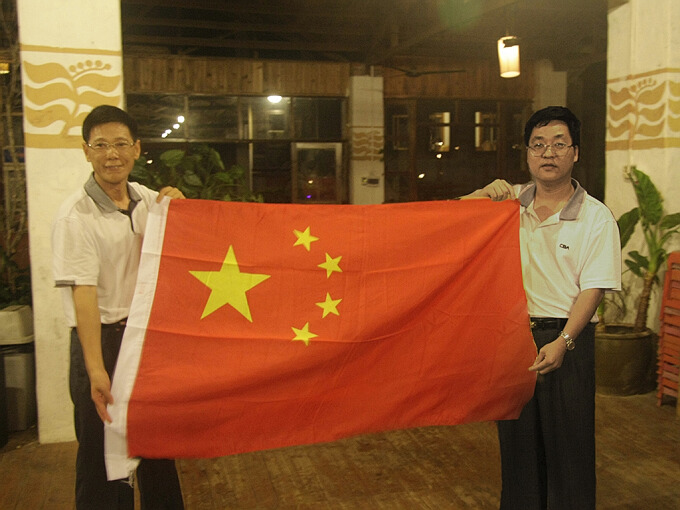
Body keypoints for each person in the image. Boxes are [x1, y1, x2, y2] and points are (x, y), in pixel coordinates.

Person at [466, 106, 621, 509]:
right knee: (517, 448)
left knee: (569, 448)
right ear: (527, 153)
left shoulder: (596, 217)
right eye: (538, 145)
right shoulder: (508, 205)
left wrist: (564, 340)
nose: (547, 153)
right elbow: (450, 222)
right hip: (513, 339)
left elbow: (593, 288)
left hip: (566, 339)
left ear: (575, 153)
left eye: (558, 144)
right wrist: (482, 195)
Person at [52, 105, 185, 509]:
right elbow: (84, 295)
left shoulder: (147, 200)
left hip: (144, 342)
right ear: (86, 151)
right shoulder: (76, 215)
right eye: (101, 145)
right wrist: (97, 370)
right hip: (102, 342)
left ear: (137, 148)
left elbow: (184, 242)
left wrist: (180, 204)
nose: (112, 154)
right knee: (102, 456)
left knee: (157, 449)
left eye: (121, 144)